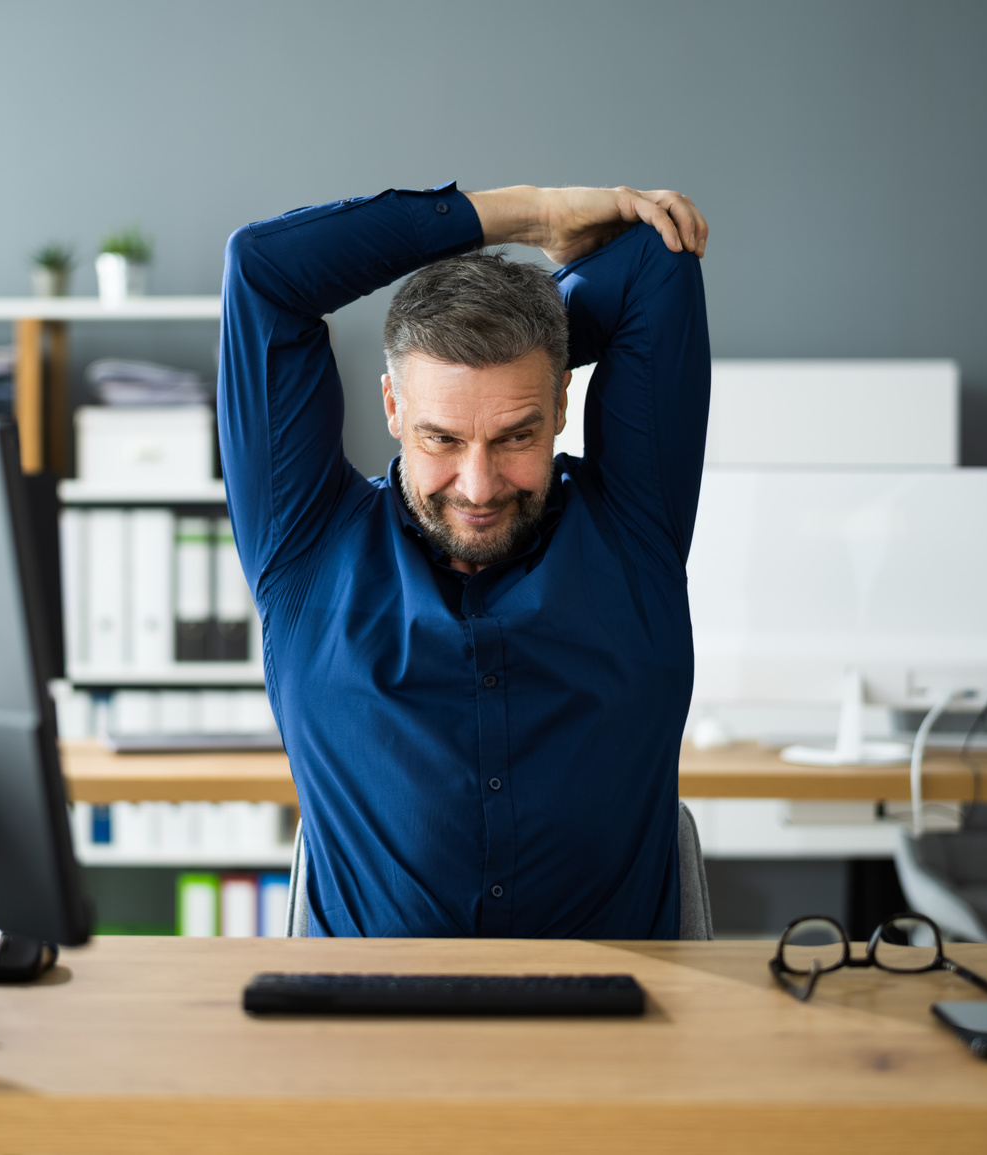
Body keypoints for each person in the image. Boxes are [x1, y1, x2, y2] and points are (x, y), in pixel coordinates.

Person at [219, 183, 709, 937]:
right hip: (367, 1037)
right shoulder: (306, 545)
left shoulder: (632, 531)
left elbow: (656, 264)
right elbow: (263, 270)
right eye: (442, 438)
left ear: (561, 406)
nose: (478, 489)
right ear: (392, 406)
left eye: (516, 435)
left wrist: (529, 336)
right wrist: (533, 215)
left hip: (616, 1040)